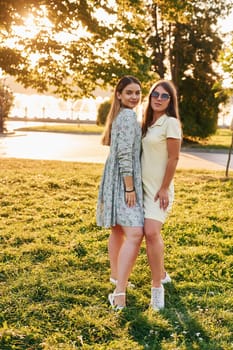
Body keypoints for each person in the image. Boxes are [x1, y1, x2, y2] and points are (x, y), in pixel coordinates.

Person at [96, 76, 144, 310]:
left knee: (117, 230)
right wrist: (130, 187)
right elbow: (125, 155)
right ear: (119, 94)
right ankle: (118, 292)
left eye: (137, 92)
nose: (134, 97)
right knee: (135, 233)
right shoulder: (127, 116)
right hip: (123, 179)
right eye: (129, 92)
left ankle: (117, 277)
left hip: (113, 177)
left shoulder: (120, 115)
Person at [141, 80, 182, 310]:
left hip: (159, 190)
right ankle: (162, 273)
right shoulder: (147, 123)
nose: (158, 98)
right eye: (155, 94)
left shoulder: (171, 123)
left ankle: (157, 287)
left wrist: (165, 187)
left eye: (164, 96)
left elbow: (173, 158)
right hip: (142, 188)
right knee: (145, 234)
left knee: (152, 232)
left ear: (170, 101)